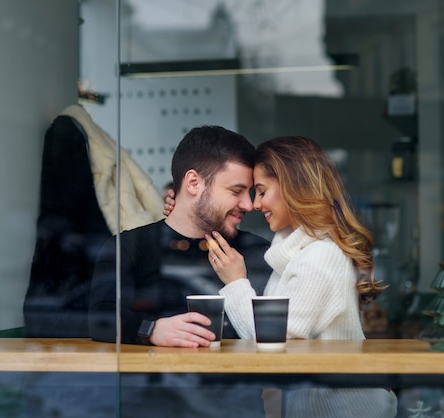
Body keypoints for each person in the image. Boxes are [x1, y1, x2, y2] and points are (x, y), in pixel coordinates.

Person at [167, 136, 398, 417]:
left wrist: (236, 282)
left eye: (261, 191)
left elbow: (270, 340)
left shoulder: (320, 257)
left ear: (293, 188)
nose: (254, 204)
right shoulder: (296, 253)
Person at [88, 125, 271, 347]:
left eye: (250, 192)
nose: (249, 204)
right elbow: (99, 319)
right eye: (236, 191)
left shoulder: (258, 252)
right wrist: (150, 329)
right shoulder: (128, 247)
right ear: (194, 183)